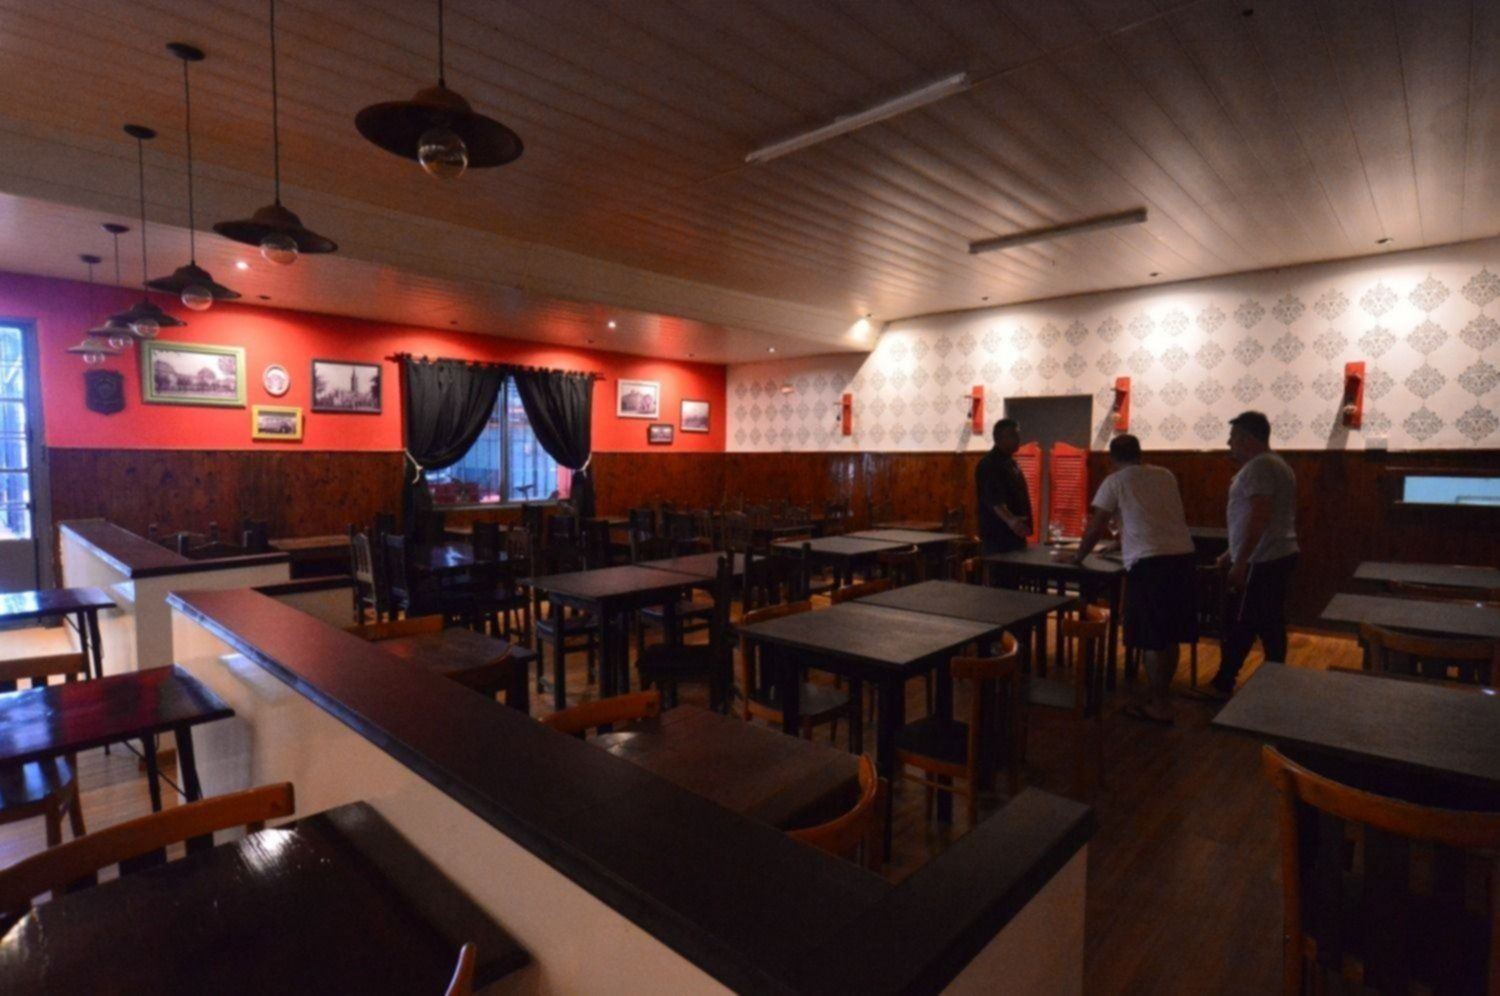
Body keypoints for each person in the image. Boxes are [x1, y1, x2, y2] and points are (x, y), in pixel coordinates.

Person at [1073, 434, 1196, 723]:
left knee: (1152, 636)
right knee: (1170, 633)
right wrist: (1123, 540)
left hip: (1150, 562)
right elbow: (1155, 516)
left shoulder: (1115, 481)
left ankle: (1159, 706)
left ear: (1112, 458)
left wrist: (1078, 556)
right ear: (1140, 453)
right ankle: (1162, 698)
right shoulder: (1165, 475)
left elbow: (1096, 526)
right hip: (1183, 557)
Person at [1204, 411, 1299, 699]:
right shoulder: (1278, 464)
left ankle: (1224, 683)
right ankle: (1274, 681)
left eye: (1233, 437)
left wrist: (1241, 561)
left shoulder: (1259, 467)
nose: (1229, 442)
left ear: (1247, 438)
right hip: (1276, 554)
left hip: (1262, 558)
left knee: (1242, 622)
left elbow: (1260, 516)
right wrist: (1230, 552)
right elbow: (1253, 518)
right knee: (1269, 622)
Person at [975, 418, 1032, 555]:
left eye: (1018, 434)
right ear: (999, 438)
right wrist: (1012, 521)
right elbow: (995, 501)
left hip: (1015, 535)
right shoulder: (989, 465)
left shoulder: (1011, 462)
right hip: (999, 538)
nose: (1018, 439)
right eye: (1013, 435)